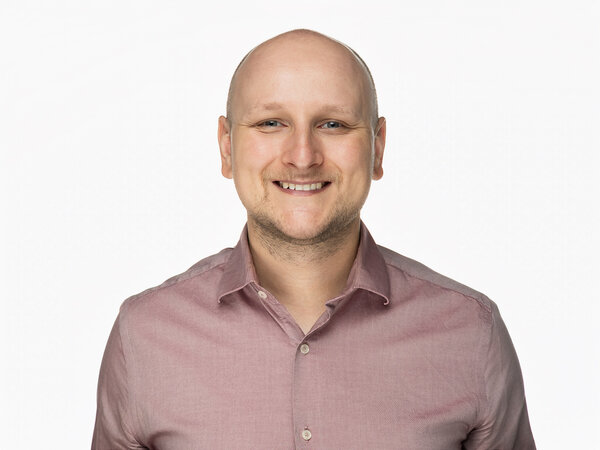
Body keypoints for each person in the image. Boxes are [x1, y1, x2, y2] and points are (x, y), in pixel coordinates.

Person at [92, 29, 535, 449]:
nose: (302, 156)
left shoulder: (470, 332)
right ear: (227, 148)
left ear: (378, 147)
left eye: (333, 125)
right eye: (271, 123)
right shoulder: (144, 335)